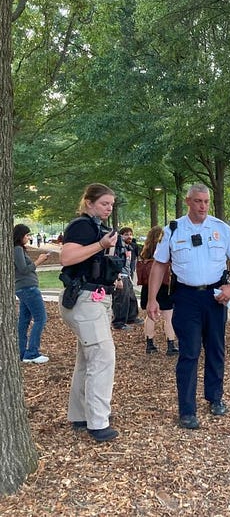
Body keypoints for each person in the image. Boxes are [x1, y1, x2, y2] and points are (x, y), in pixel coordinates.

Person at [147, 184, 230, 430]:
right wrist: (152, 299)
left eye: (206, 201)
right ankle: (187, 409)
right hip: (186, 297)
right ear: (188, 201)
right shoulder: (174, 229)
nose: (202, 206)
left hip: (214, 296)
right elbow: (159, 265)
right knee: (189, 352)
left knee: (216, 348)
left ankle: (215, 397)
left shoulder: (220, 228)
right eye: (198, 201)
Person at [59, 183, 121, 442]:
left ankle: (81, 414)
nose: (109, 208)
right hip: (84, 299)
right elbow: (67, 257)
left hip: (95, 298)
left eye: (111, 204)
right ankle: (97, 422)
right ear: (89, 203)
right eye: (104, 203)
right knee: (102, 356)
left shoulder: (97, 228)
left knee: (88, 358)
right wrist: (100, 245)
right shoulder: (82, 226)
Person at [136, 226, 178, 356]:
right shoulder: (165, 252)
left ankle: (150, 344)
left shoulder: (145, 254)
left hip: (148, 287)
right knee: (168, 317)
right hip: (164, 287)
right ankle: (170, 345)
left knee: (150, 316)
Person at [13, 224, 49, 364]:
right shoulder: (17, 249)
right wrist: (39, 261)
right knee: (41, 318)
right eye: (27, 235)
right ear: (20, 236)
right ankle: (32, 353)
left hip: (24, 288)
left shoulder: (19, 249)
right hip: (28, 288)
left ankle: (21, 352)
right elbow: (23, 269)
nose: (28, 238)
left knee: (24, 320)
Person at [111, 227, 142, 331]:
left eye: (130, 234)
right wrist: (118, 278)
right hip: (121, 276)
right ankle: (118, 322)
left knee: (131, 298)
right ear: (121, 236)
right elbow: (114, 263)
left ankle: (131, 318)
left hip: (127, 276)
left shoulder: (130, 247)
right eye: (126, 234)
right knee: (121, 300)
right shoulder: (118, 247)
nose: (129, 236)